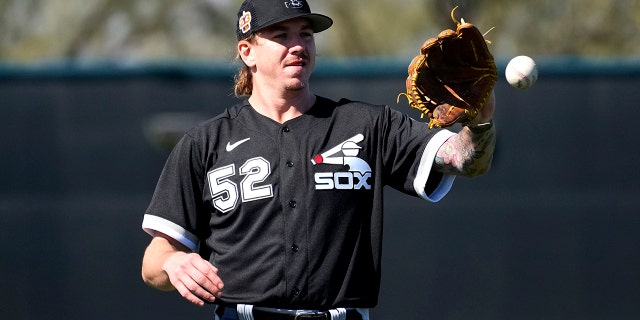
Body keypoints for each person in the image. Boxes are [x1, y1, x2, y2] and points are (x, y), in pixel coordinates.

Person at [140, 0, 496, 319]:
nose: (298, 46)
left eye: (306, 34)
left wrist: (480, 120)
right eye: (281, 35)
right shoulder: (206, 142)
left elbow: (466, 160)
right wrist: (172, 261)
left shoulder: (368, 125)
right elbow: (154, 260)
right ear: (247, 51)